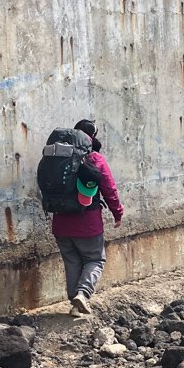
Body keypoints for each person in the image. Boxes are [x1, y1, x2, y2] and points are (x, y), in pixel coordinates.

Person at [51, 119, 123, 316]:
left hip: (60, 223)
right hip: (87, 223)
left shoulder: (58, 157)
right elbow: (109, 188)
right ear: (92, 137)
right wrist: (117, 212)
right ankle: (82, 294)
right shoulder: (95, 158)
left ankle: (76, 305)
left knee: (72, 262)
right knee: (95, 260)